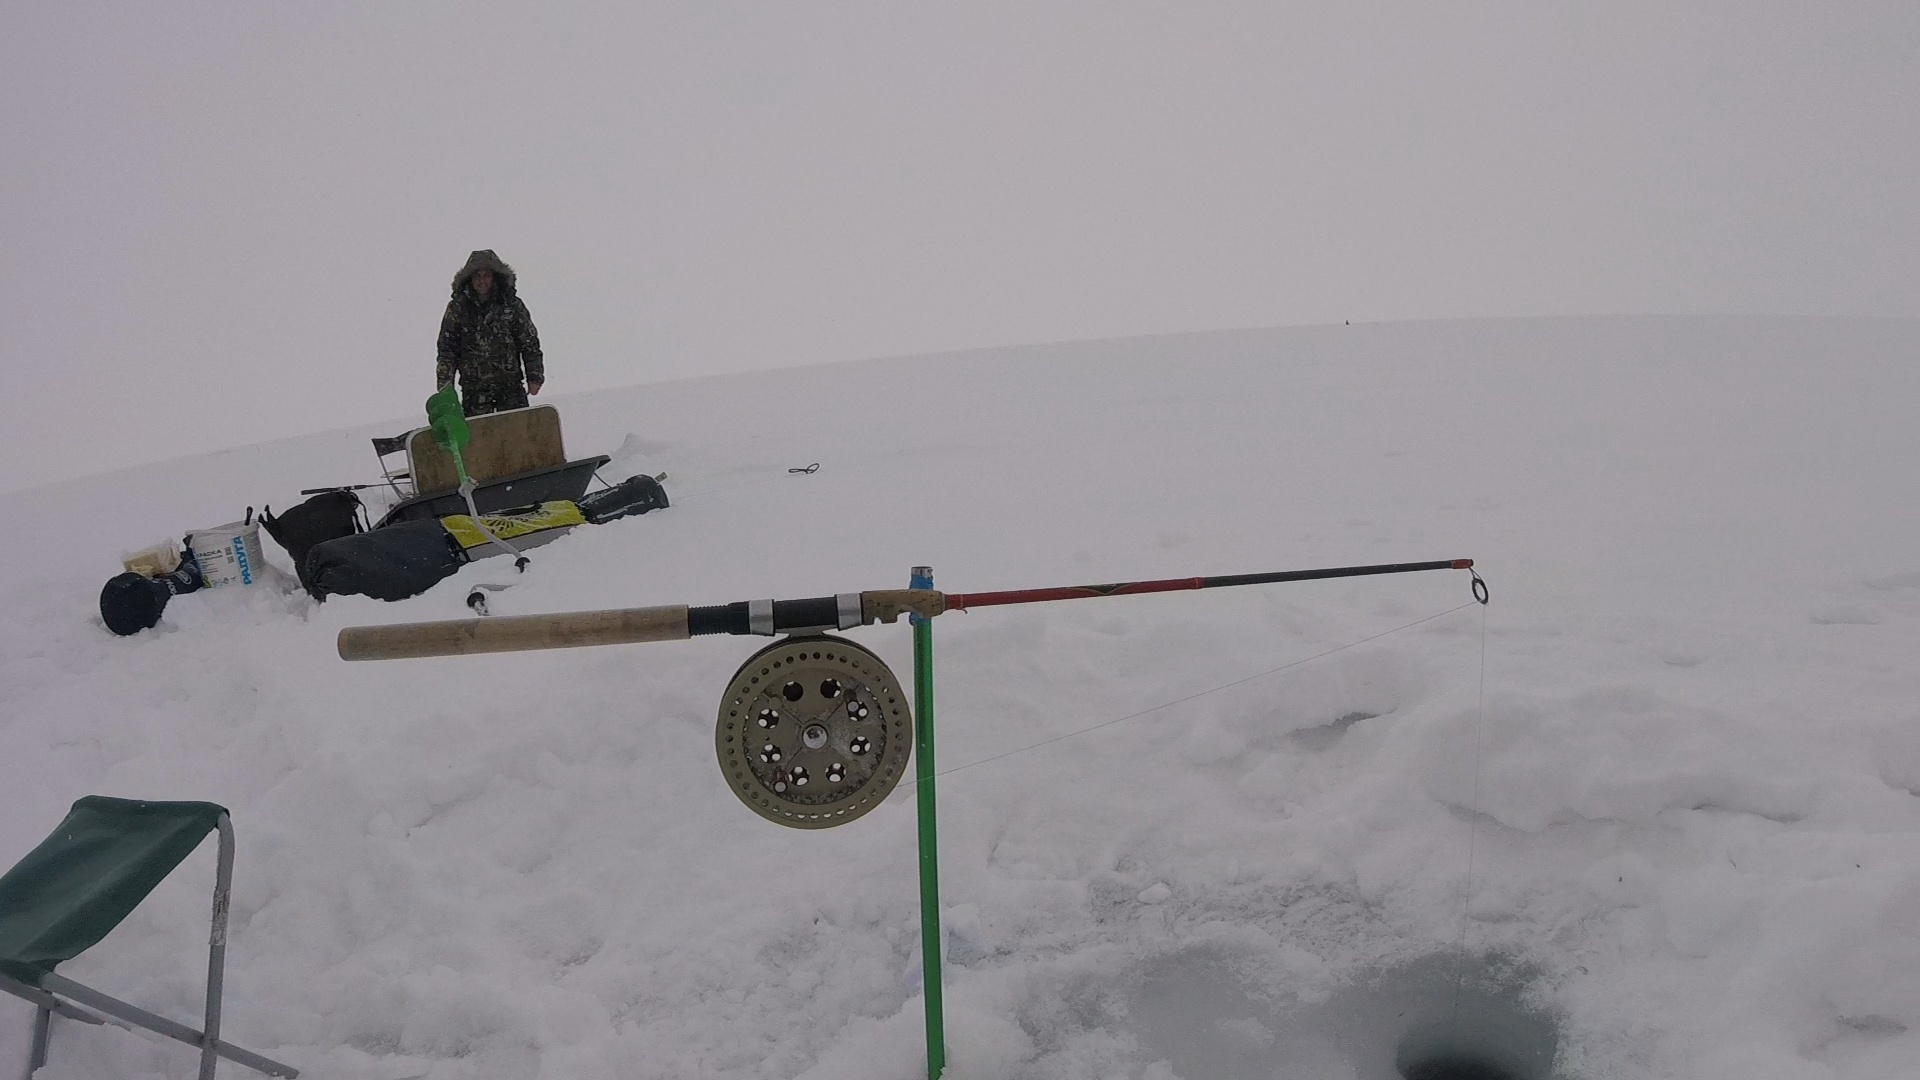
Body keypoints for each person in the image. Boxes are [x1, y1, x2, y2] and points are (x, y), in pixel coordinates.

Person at [435, 250, 545, 417]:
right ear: (469, 279)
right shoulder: (457, 308)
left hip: (510, 388)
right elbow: (447, 349)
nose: (482, 281)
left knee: (516, 436)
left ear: (495, 277)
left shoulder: (512, 305)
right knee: (479, 440)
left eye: (486, 275)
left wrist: (535, 376)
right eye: (477, 276)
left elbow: (529, 342)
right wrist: (445, 387)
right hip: (474, 392)